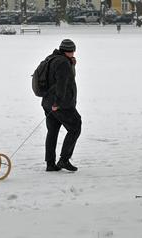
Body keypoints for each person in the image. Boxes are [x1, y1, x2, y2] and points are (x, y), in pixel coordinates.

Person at [41, 39, 82, 172]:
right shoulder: (63, 63)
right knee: (75, 127)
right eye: (72, 51)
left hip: (47, 101)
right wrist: (57, 103)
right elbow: (61, 84)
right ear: (68, 51)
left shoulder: (51, 58)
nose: (73, 53)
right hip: (60, 104)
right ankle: (64, 160)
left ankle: (50, 163)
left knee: (52, 132)